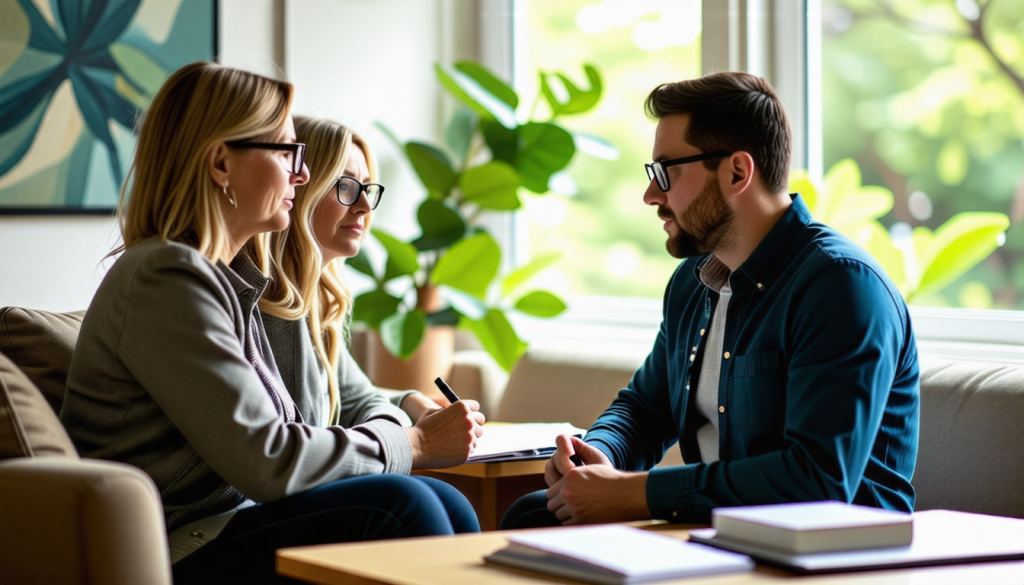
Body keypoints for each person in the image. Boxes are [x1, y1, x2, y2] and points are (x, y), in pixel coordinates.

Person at [60, 62, 483, 585]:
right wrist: (413, 443)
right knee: (401, 502)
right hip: (181, 541)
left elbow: (308, 425)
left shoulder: (226, 279)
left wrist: (401, 426)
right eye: (287, 152)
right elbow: (271, 458)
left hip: (226, 522)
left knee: (445, 499)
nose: (301, 175)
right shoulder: (167, 277)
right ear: (221, 164)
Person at [501, 71, 919, 529]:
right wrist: (600, 452)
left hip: (834, 555)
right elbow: (645, 407)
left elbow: (816, 480)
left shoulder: (840, 287)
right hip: (718, 536)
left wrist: (633, 494)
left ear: (737, 172)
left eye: (666, 172)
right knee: (536, 513)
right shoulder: (692, 284)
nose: (650, 195)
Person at [249, 115, 481, 531]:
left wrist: (410, 403)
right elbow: (305, 430)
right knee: (412, 502)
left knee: (451, 501)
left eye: (366, 190)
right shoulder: (266, 301)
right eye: (345, 186)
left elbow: (356, 398)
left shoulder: (316, 297)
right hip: (259, 503)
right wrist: (413, 436)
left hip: (295, 489)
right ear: (299, 188)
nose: (362, 206)